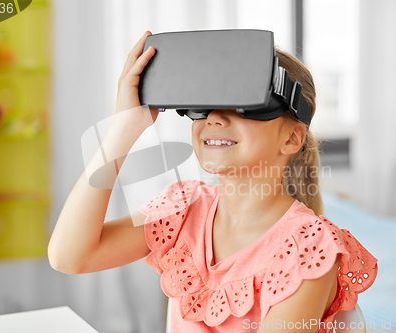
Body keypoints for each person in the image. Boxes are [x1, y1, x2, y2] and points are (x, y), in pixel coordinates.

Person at [48, 30, 378, 333]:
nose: (215, 117)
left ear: (291, 138)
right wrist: (123, 128)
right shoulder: (183, 208)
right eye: (203, 104)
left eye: (244, 105)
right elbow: (70, 256)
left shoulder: (309, 248)